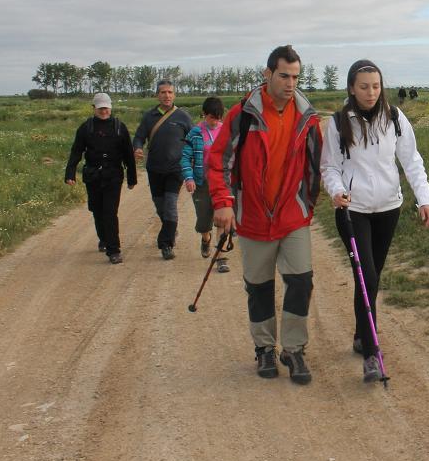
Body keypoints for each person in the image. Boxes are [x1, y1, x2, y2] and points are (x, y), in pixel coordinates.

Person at [210, 45, 322, 385]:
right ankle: (264, 349)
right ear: (267, 74)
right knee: (258, 287)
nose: (291, 83)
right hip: (254, 217)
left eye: (296, 77)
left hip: (291, 216)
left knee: (301, 281)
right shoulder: (243, 114)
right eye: (284, 76)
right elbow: (219, 161)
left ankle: (293, 349)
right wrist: (224, 202)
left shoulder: (307, 116)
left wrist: (307, 203)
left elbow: (317, 164)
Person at [321, 59, 429, 383]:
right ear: (351, 88)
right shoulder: (338, 122)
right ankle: (372, 354)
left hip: (388, 208)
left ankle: (361, 335)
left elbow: (412, 161)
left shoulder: (395, 118)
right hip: (353, 210)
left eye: (375, 86)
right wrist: (337, 190)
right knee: (367, 277)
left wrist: (425, 201)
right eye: (364, 86)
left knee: (371, 277)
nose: (371, 92)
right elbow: (329, 166)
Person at [65, 92, 137, 264]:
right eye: (100, 108)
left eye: (106, 108)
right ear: (94, 108)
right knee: (97, 210)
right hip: (93, 176)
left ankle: (114, 250)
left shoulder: (119, 127)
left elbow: (128, 154)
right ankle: (104, 239)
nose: (104, 111)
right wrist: (70, 173)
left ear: (110, 108)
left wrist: (132, 177)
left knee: (110, 212)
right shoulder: (86, 128)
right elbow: (76, 151)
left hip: (113, 176)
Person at [132, 80, 193, 260]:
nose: (167, 95)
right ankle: (170, 229)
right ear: (157, 95)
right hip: (154, 168)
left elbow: (193, 139)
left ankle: (166, 244)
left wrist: (193, 160)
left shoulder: (183, 116)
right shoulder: (149, 116)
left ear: (174, 95)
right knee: (160, 206)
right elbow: (139, 137)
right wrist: (138, 148)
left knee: (170, 205)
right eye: (163, 92)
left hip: (176, 169)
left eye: (170, 92)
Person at [181, 97, 229, 273]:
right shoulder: (195, 133)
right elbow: (185, 157)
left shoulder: (226, 131)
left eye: (218, 118)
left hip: (222, 183)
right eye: (211, 117)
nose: (215, 121)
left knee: (222, 220)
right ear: (204, 114)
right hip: (202, 183)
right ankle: (205, 239)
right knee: (204, 221)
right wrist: (189, 178)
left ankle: (221, 258)